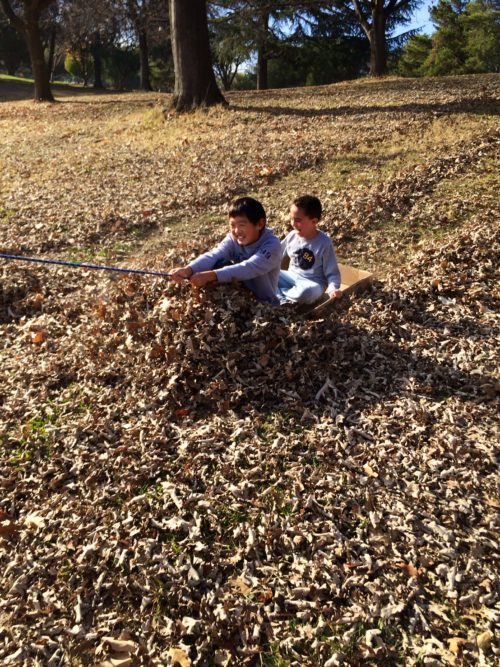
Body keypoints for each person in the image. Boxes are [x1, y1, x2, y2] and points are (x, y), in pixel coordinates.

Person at [170, 197, 281, 305]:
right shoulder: (233, 240)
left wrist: (211, 275)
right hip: (237, 298)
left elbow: (249, 267)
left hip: (264, 305)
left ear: (260, 224)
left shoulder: (272, 245)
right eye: (232, 225)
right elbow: (214, 255)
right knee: (218, 263)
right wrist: (188, 270)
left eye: (242, 225)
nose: (237, 231)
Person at [278, 195, 342, 305]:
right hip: (291, 277)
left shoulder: (324, 243)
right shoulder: (292, 236)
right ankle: (281, 297)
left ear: (314, 221)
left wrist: (333, 289)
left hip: (312, 284)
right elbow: (276, 254)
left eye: (298, 220)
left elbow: (332, 273)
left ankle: (280, 295)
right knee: (266, 273)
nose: (293, 223)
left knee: (305, 293)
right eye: (291, 218)